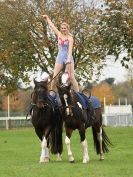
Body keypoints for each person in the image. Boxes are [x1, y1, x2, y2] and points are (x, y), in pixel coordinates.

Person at [41, 14, 79, 92]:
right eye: (62, 28)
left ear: (67, 29)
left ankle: (78, 93)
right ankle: (51, 92)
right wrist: (47, 18)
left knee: (71, 77)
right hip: (60, 57)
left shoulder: (70, 38)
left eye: (65, 28)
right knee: (55, 76)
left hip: (68, 57)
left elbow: (70, 50)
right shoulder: (59, 34)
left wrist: (68, 60)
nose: (63, 29)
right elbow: (52, 26)